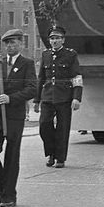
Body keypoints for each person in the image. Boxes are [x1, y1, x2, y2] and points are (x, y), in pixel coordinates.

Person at [0, 29, 36, 207]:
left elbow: (32, 88)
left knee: (11, 156)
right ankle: (3, 187)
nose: (10, 46)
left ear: (20, 44)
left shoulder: (27, 63)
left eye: (13, 43)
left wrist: (12, 98)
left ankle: (9, 196)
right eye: (7, 43)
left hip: (14, 116)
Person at [34, 26, 82, 168]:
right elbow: (41, 77)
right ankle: (51, 153)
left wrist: (77, 97)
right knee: (44, 126)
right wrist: (36, 100)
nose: (54, 41)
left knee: (63, 128)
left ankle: (60, 158)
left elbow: (77, 76)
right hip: (48, 96)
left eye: (57, 38)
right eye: (52, 38)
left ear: (63, 40)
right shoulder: (45, 55)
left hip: (64, 96)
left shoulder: (71, 55)